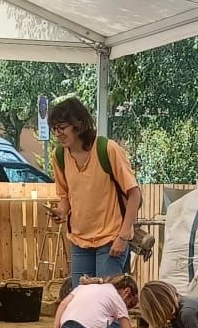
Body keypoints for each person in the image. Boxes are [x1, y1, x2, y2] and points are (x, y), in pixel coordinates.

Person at [50, 97, 140, 294]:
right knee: (82, 301)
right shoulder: (59, 156)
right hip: (79, 240)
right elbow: (65, 195)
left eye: (62, 127)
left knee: (106, 302)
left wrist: (124, 236)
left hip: (111, 239)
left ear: (78, 125)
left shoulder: (107, 149)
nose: (58, 134)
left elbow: (134, 194)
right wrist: (61, 211)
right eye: (54, 128)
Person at [52, 275, 140, 328]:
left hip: (67, 326)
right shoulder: (117, 298)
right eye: (129, 304)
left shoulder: (85, 287)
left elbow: (63, 304)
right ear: (127, 291)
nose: (126, 308)